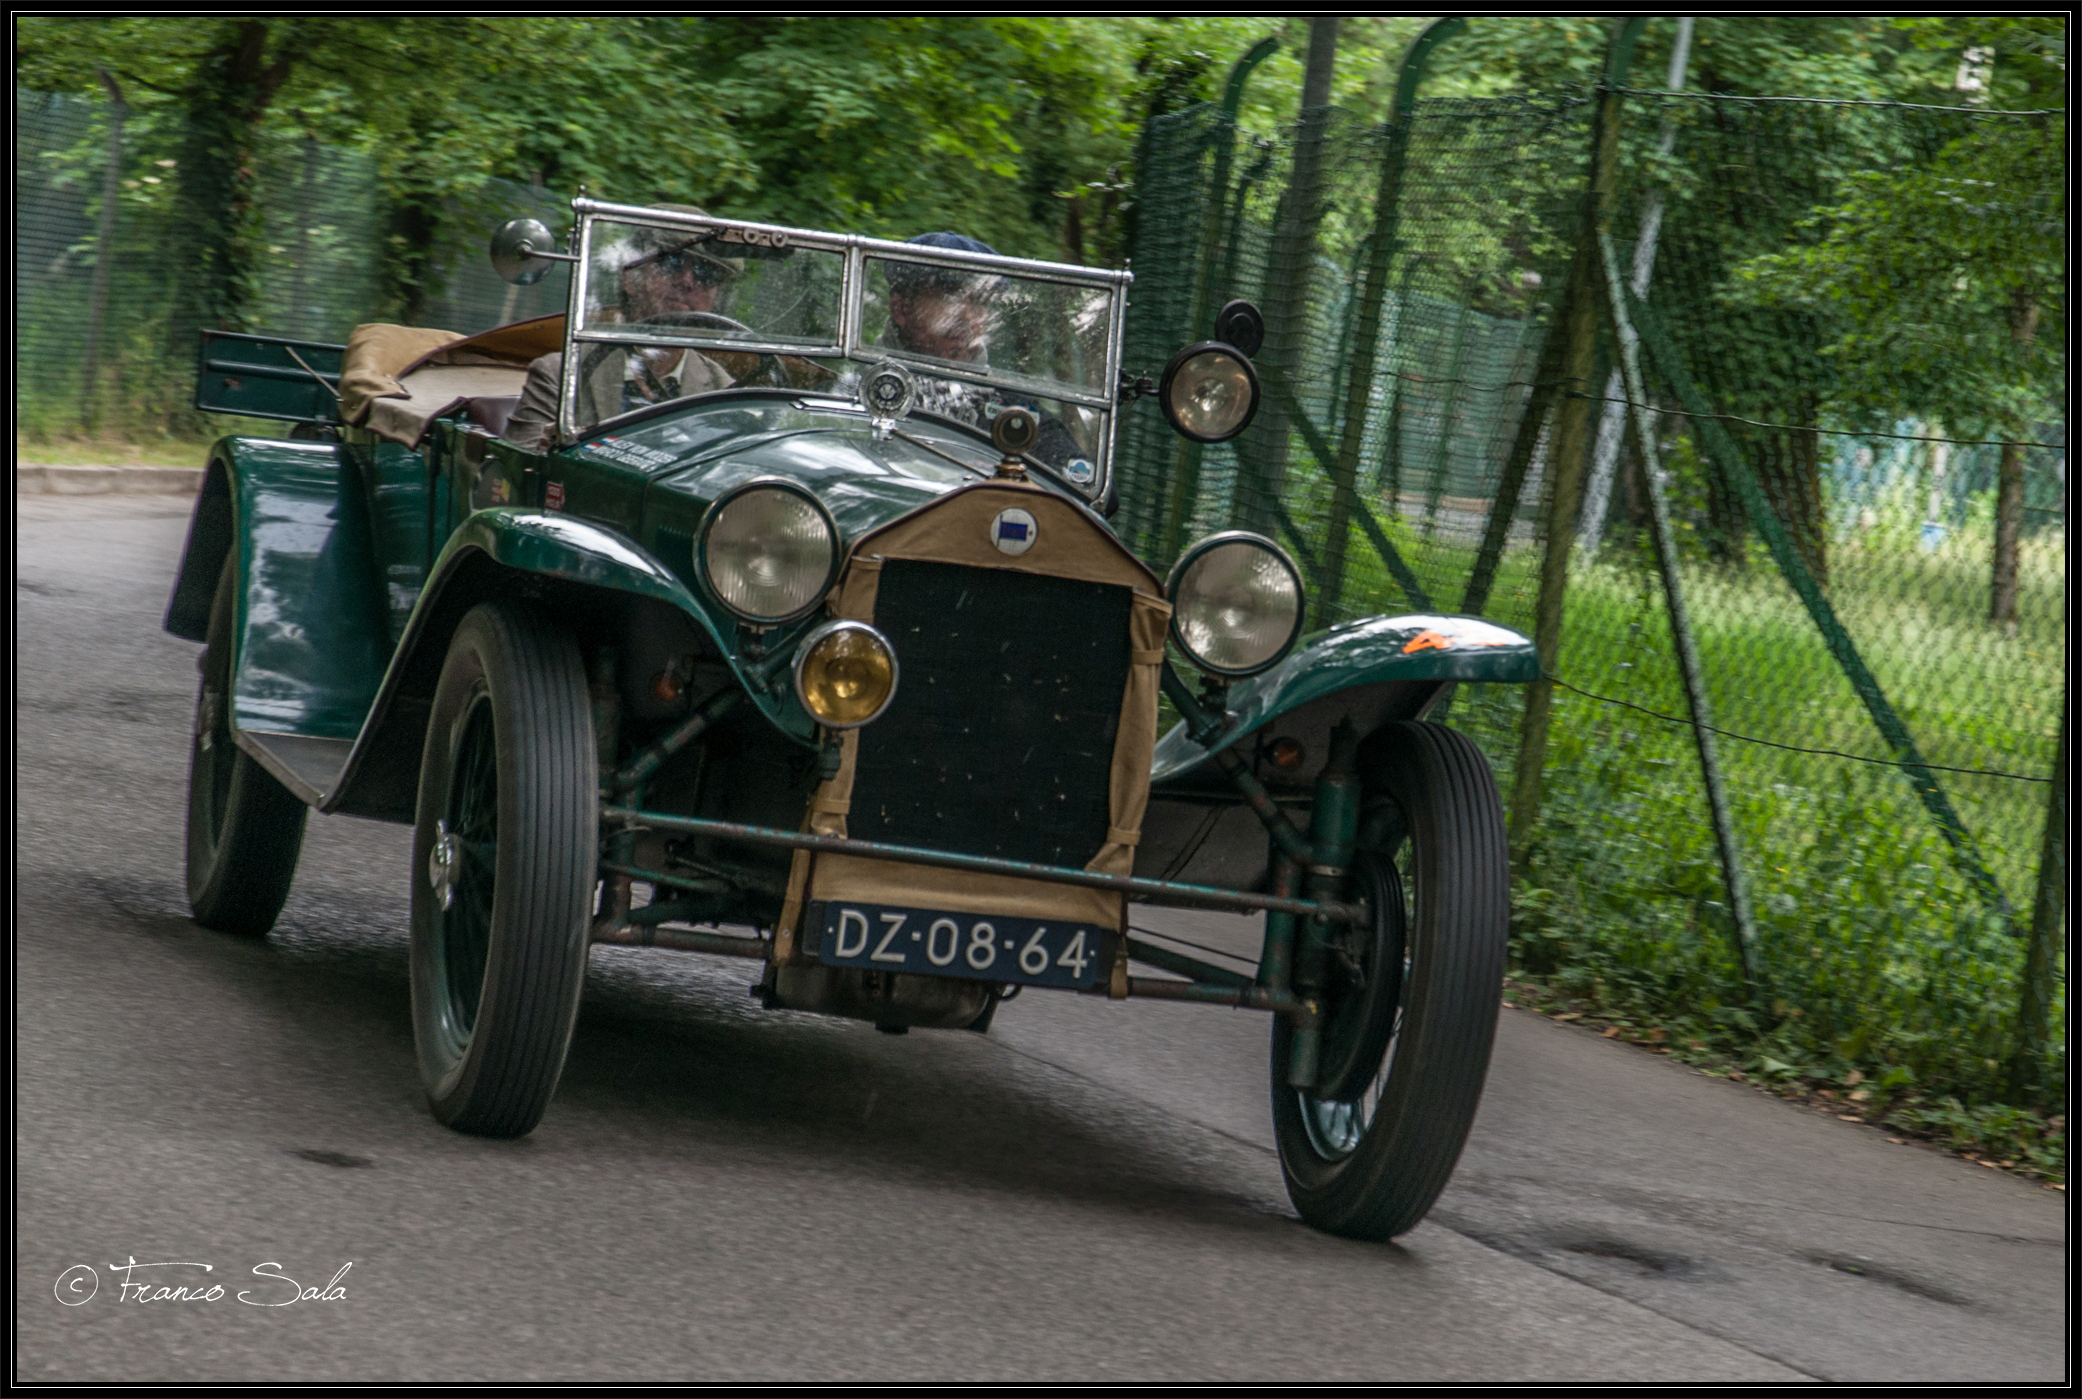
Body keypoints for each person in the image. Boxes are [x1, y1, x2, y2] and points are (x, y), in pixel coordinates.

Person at [504, 204, 743, 451]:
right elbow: (520, 472)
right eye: (671, 261)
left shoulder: (723, 393)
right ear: (630, 277)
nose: (688, 281)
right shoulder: (560, 377)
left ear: (715, 297)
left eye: (706, 274)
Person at [880, 232, 1087, 469]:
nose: (967, 316)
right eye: (950, 296)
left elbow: (1090, 489)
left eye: (979, 300)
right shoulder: (851, 390)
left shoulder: (1014, 413)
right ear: (901, 308)